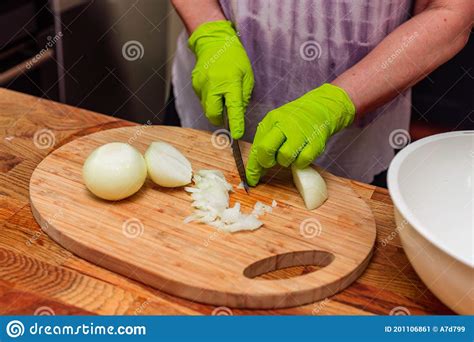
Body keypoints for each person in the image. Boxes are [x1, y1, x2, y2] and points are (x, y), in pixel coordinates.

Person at [171, 0, 472, 185]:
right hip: (212, 86)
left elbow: (451, 12)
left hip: (354, 131)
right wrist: (208, 31)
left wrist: (336, 104)